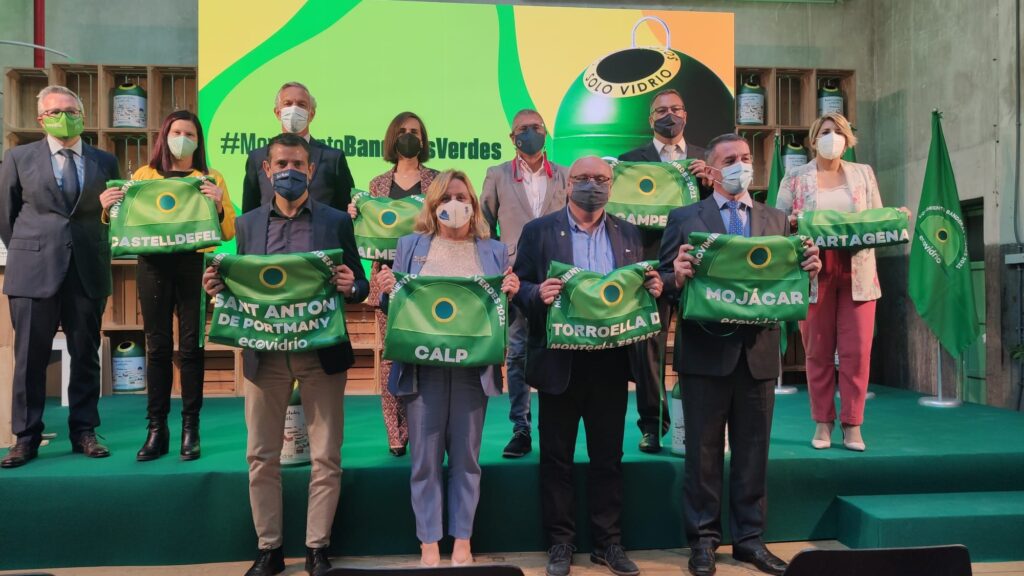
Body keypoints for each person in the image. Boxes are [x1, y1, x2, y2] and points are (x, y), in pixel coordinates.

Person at [203, 133, 368, 576]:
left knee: (326, 455)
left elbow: (361, 285)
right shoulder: (249, 225)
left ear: (311, 170)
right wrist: (217, 288)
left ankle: (317, 548)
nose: (289, 170)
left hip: (322, 354)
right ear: (267, 170)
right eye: (281, 163)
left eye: (298, 163)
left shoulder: (336, 221)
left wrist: (352, 284)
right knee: (260, 454)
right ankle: (270, 549)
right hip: (265, 356)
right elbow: (239, 283)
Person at [659, 134, 821, 576]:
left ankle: (750, 540)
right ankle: (703, 542)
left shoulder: (777, 218)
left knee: (753, 452)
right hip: (703, 355)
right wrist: (674, 276)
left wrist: (811, 271)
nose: (740, 166)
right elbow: (660, 282)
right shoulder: (684, 217)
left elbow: (789, 282)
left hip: (758, 353)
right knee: (702, 455)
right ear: (710, 170)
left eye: (746, 158)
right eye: (729, 160)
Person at [514, 156, 662, 576]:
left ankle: (608, 543)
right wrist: (534, 293)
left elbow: (641, 286)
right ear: (567, 184)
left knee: (607, 458)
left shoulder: (630, 233)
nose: (592, 186)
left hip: (611, 364)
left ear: (612, 187)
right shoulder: (538, 232)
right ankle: (560, 543)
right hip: (559, 363)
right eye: (583, 179)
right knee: (556, 459)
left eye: (601, 179)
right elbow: (518, 287)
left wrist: (652, 286)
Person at [99, 110, 236, 462]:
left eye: (189, 133)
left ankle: (192, 429)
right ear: (165, 135)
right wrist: (107, 208)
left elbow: (228, 231)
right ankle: (156, 429)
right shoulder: (144, 175)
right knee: (157, 348)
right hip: (152, 265)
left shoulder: (210, 176)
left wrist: (218, 205)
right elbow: (122, 219)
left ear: (198, 140)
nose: (182, 138)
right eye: (177, 131)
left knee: (191, 348)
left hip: (194, 264)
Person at [0, 86, 120, 468]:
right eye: (55, 111)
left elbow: (116, 217)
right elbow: (6, 216)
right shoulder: (18, 157)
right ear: (41, 120)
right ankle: (26, 436)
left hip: (87, 268)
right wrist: (33, 249)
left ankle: (84, 430)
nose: (63, 116)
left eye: (70, 109)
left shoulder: (105, 161)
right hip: (33, 270)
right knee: (30, 357)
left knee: (85, 354)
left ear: (83, 113)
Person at [776, 112, 908, 452]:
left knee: (857, 351)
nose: (831, 136)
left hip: (858, 267)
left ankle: (853, 424)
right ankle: (822, 422)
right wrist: (793, 223)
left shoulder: (863, 174)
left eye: (837, 131)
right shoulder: (794, 178)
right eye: (824, 131)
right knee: (817, 351)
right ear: (813, 138)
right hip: (815, 269)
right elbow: (777, 225)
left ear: (848, 139)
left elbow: (876, 219)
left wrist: (897, 218)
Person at [618, 88, 713, 453]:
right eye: (661, 110)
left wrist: (708, 183)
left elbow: (718, 209)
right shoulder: (630, 162)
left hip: (697, 263)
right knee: (648, 348)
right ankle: (653, 425)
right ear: (650, 119)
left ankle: (698, 422)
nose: (668, 115)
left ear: (685, 115)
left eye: (675, 109)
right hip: (649, 263)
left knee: (699, 344)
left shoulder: (705, 160)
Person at [480, 108, 569, 458]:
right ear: (511, 137)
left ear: (545, 131)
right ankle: (521, 427)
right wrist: (495, 266)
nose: (528, 133)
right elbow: (484, 225)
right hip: (516, 279)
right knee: (517, 354)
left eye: (535, 127)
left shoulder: (564, 175)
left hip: (560, 278)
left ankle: (555, 423)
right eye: (521, 129)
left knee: (559, 349)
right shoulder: (497, 174)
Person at [348, 111, 438, 457]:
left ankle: (425, 429)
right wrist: (355, 217)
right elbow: (371, 233)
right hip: (386, 281)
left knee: (426, 355)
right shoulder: (376, 186)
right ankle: (396, 433)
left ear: (423, 138)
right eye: (402, 132)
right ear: (392, 137)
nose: (409, 137)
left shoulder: (437, 181)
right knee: (390, 358)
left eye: (415, 131)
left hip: (427, 280)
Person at [242, 82, 355, 213]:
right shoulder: (257, 158)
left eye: (301, 105)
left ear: (311, 114)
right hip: (271, 233)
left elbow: (346, 213)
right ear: (277, 113)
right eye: (288, 103)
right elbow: (249, 215)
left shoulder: (333, 158)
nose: (294, 109)